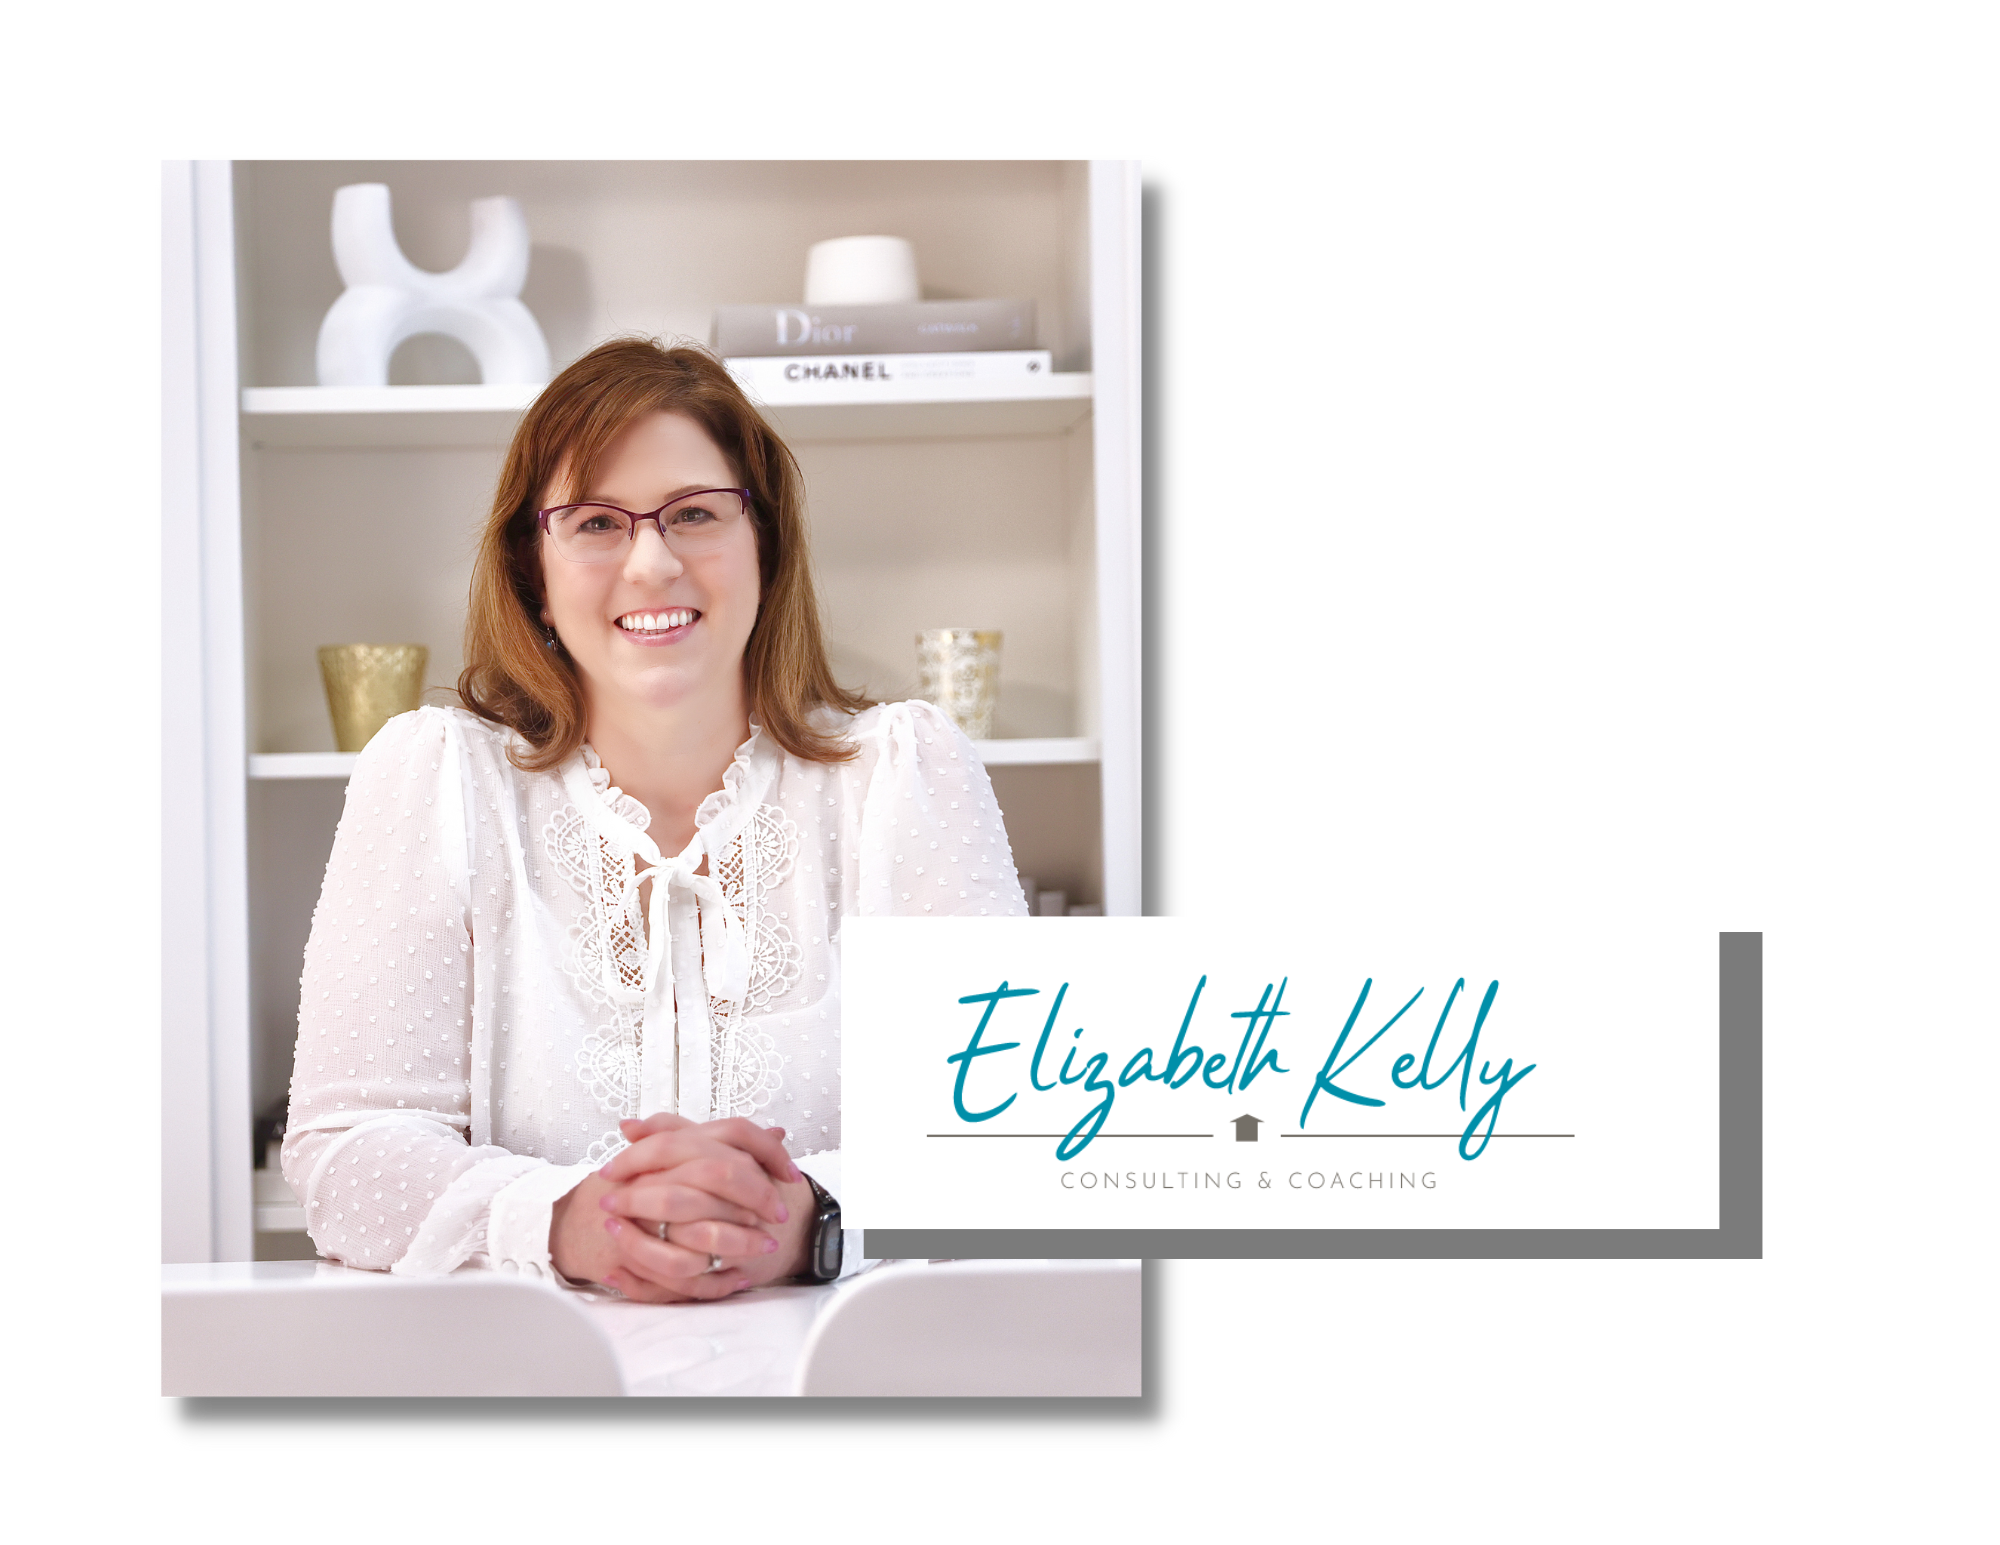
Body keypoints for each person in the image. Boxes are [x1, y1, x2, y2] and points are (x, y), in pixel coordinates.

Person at [282, 338, 1030, 1301]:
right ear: (532, 567)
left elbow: (1015, 1133)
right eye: (596, 521)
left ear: (765, 541)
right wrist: (570, 1222)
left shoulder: (908, 774)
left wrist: (813, 1216)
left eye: (694, 513)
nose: (652, 561)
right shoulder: (434, 778)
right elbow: (347, 1151)